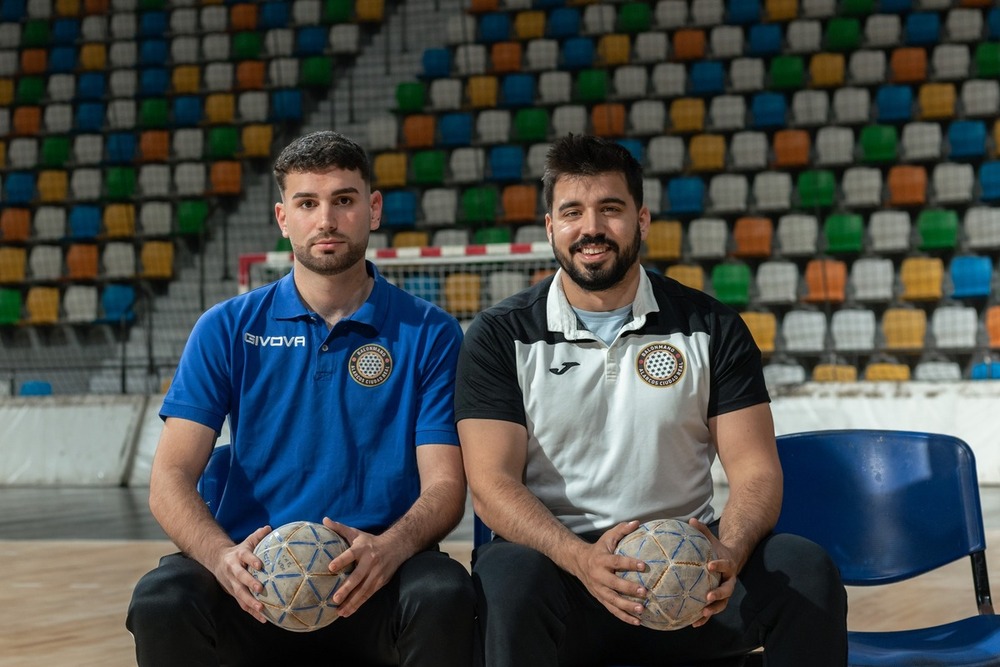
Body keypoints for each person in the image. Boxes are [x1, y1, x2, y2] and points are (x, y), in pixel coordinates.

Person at [455, 134, 848, 666]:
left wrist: (726, 553)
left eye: (610, 209)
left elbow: (756, 470)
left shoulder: (712, 327)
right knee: (507, 576)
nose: (591, 227)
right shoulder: (501, 335)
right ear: (550, 228)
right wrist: (578, 557)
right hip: (565, 573)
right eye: (572, 212)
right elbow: (490, 483)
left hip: (690, 575)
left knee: (804, 568)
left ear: (641, 220)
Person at [127, 130, 474, 666]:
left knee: (444, 593)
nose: (327, 220)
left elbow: (447, 484)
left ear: (373, 209)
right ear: (283, 217)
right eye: (307, 203)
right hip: (254, 582)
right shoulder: (226, 327)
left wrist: (392, 547)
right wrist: (222, 557)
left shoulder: (431, 332)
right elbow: (169, 477)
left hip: (376, 575)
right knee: (162, 600)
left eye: (344, 200)